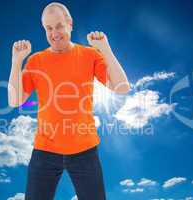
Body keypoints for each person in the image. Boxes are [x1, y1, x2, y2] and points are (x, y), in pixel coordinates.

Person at [8, 2, 130, 200]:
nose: (54, 33)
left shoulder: (90, 55)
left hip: (85, 150)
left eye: (58, 26)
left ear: (70, 24)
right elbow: (14, 100)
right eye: (48, 28)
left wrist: (105, 49)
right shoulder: (35, 61)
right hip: (45, 151)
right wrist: (16, 62)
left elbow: (122, 87)